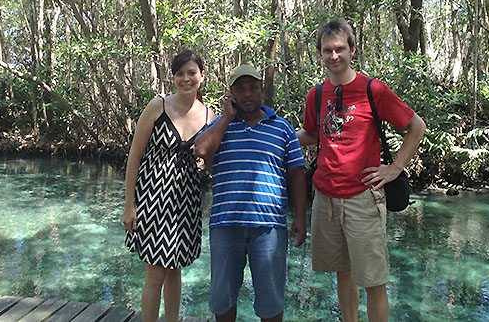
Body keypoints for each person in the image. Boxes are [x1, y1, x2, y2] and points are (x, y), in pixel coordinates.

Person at [297, 18, 426, 322]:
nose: (334, 56)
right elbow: (313, 135)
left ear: (352, 50)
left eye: (340, 49)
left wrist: (394, 168)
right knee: (343, 274)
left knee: (373, 282)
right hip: (326, 198)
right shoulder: (316, 94)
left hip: (363, 199)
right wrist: (276, 135)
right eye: (327, 50)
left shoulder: (373, 89)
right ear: (320, 53)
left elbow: (416, 126)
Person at [194, 64, 307, 322]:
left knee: (271, 301)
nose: (247, 95)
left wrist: (300, 217)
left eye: (253, 88)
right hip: (225, 225)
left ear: (262, 91)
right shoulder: (219, 126)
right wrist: (225, 117)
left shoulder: (283, 128)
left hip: (269, 228)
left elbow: (296, 175)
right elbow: (200, 150)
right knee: (222, 301)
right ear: (231, 94)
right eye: (240, 89)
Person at [122, 50, 215, 322]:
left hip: (186, 200)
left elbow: (212, 158)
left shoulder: (210, 114)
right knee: (156, 273)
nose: (186, 79)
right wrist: (129, 205)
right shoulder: (158, 106)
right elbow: (135, 156)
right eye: (180, 74)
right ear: (172, 77)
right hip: (152, 197)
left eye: (191, 73)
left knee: (176, 269)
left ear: (202, 76)